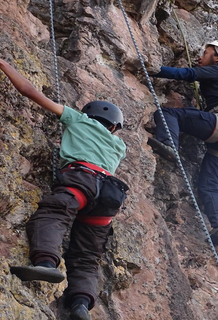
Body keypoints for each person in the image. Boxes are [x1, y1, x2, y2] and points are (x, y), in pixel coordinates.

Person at [0, 59, 128, 320]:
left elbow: (29, 91)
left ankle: (46, 264)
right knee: (87, 255)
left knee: (53, 214)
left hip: (83, 180)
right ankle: (80, 304)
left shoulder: (79, 120)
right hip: (110, 195)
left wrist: (3, 63)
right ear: (114, 127)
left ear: (89, 116)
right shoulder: (119, 145)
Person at [147, 39, 218, 246]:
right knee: (210, 185)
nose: (201, 57)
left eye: (206, 52)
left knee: (168, 113)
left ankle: (169, 145)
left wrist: (152, 69)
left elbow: (187, 74)